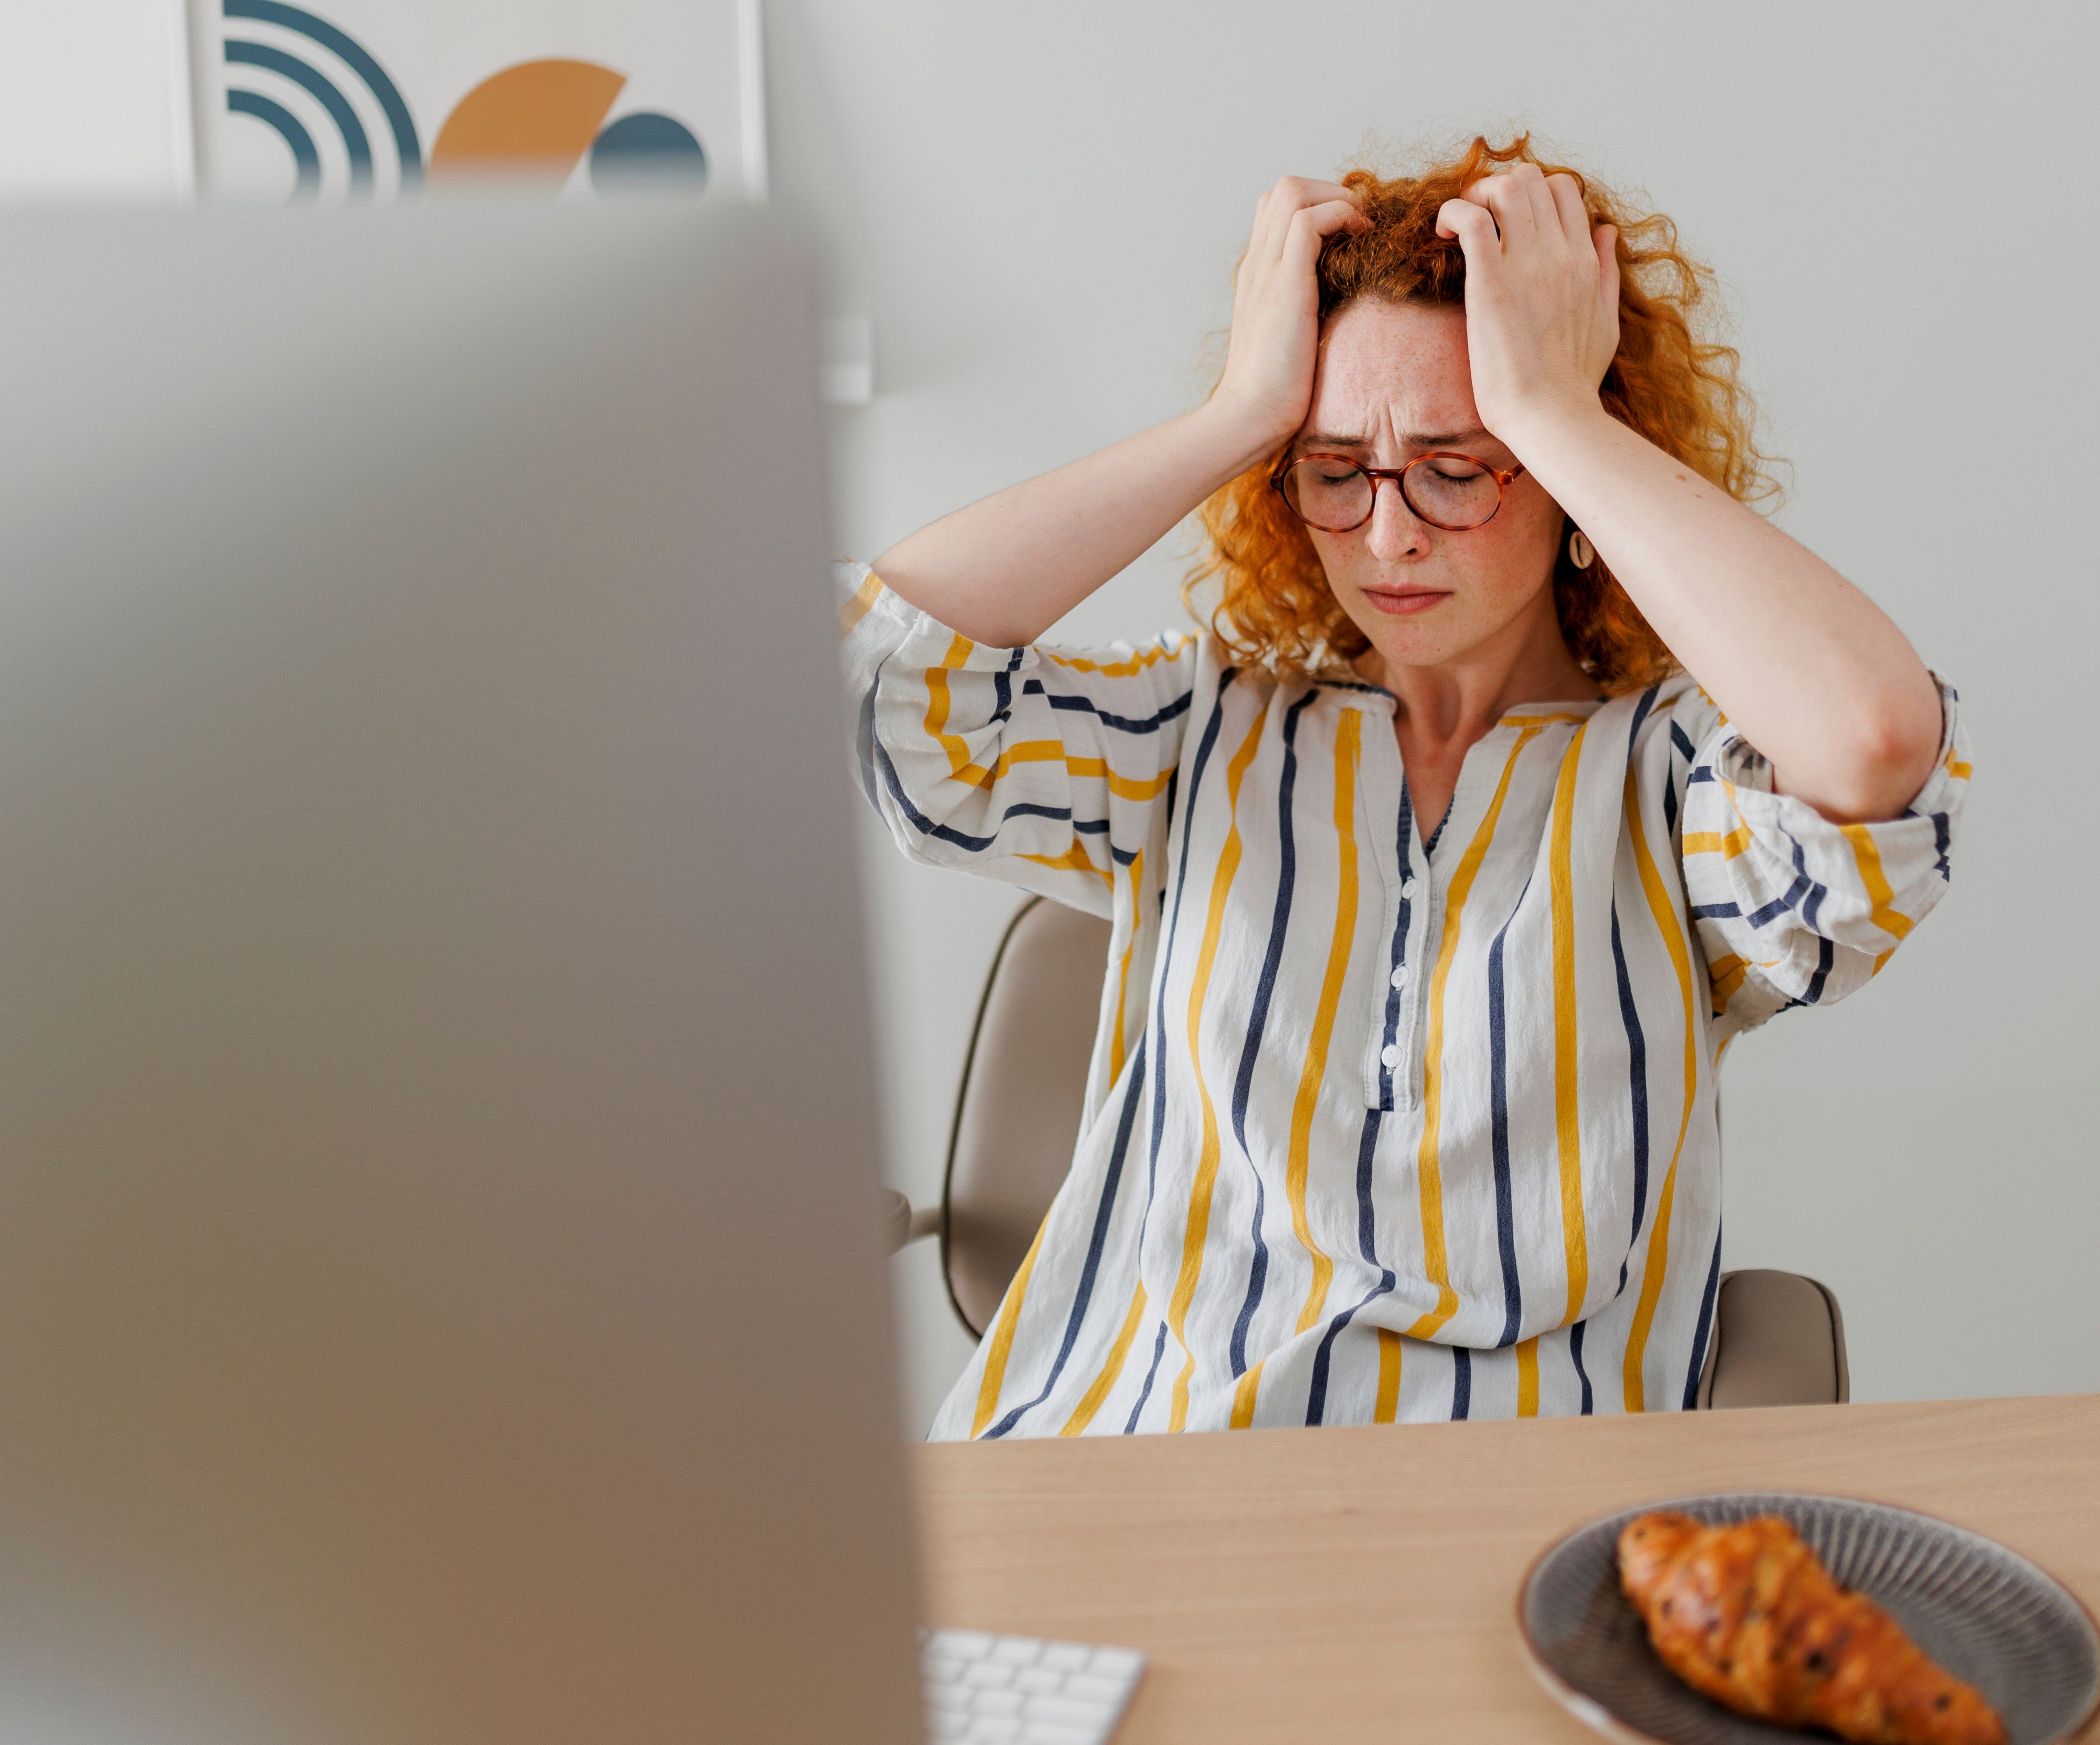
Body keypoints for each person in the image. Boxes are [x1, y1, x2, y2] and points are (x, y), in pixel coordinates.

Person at [839, 135, 1971, 1440]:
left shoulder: (1668, 787)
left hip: (1498, 1511)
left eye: (1456, 467)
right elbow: (881, 679)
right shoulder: (1200, 731)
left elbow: (1875, 743)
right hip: (1125, 1462)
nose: (1386, 538)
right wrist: (1236, 415)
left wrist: (1558, 412)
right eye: (1333, 470)